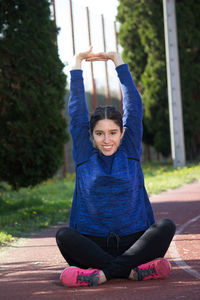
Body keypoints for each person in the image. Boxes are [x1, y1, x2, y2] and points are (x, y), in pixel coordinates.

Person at [56, 47, 176, 288]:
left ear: (122, 133)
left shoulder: (130, 151)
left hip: (135, 241)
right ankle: (132, 271)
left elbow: (134, 107)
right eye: (99, 134)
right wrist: (78, 63)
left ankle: (102, 274)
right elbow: (77, 110)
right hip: (93, 242)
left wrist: (117, 60)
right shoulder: (83, 154)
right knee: (63, 236)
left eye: (113, 132)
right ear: (90, 135)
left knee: (166, 226)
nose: (107, 139)